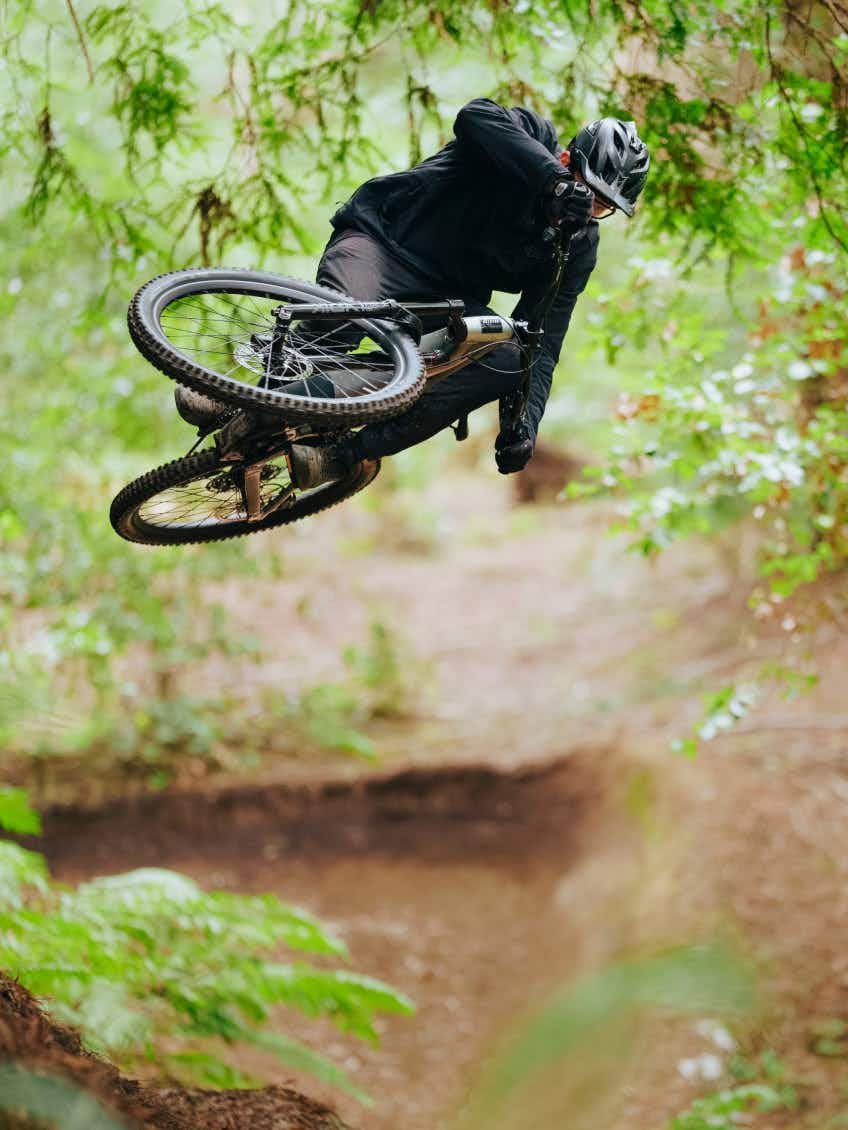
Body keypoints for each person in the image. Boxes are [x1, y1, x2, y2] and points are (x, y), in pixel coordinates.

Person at [289, 100, 650, 488]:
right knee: (343, 320)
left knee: (509, 357)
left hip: (444, 300)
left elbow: (542, 340)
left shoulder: (576, 244)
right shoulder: (531, 136)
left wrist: (523, 426)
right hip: (380, 245)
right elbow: (474, 116)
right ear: (565, 159)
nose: (586, 208)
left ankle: (345, 454)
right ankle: (255, 400)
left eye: (600, 206)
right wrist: (554, 183)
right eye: (586, 191)